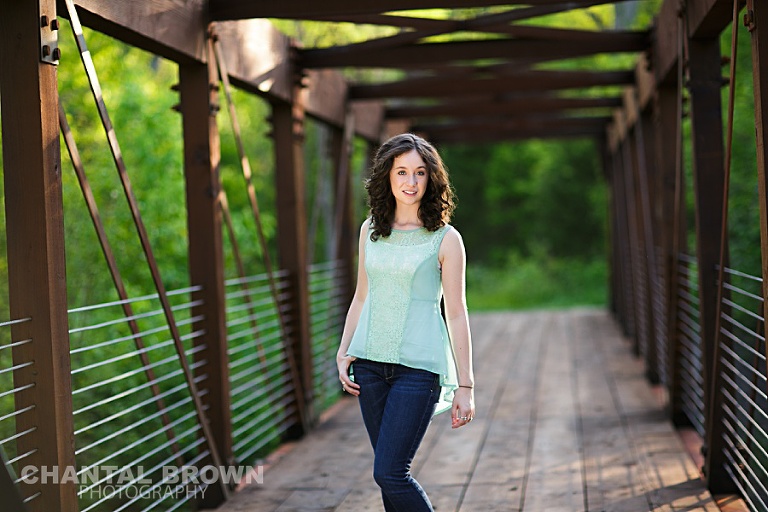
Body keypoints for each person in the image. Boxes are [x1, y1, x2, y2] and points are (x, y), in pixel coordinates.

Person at [336, 133, 475, 511]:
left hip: (419, 369)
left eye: (419, 172)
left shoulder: (446, 239)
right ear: (387, 175)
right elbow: (361, 295)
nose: (410, 182)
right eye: (401, 172)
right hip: (369, 366)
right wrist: (344, 350)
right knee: (387, 475)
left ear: (431, 179)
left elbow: (456, 311)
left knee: (390, 472)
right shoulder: (370, 230)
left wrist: (465, 385)